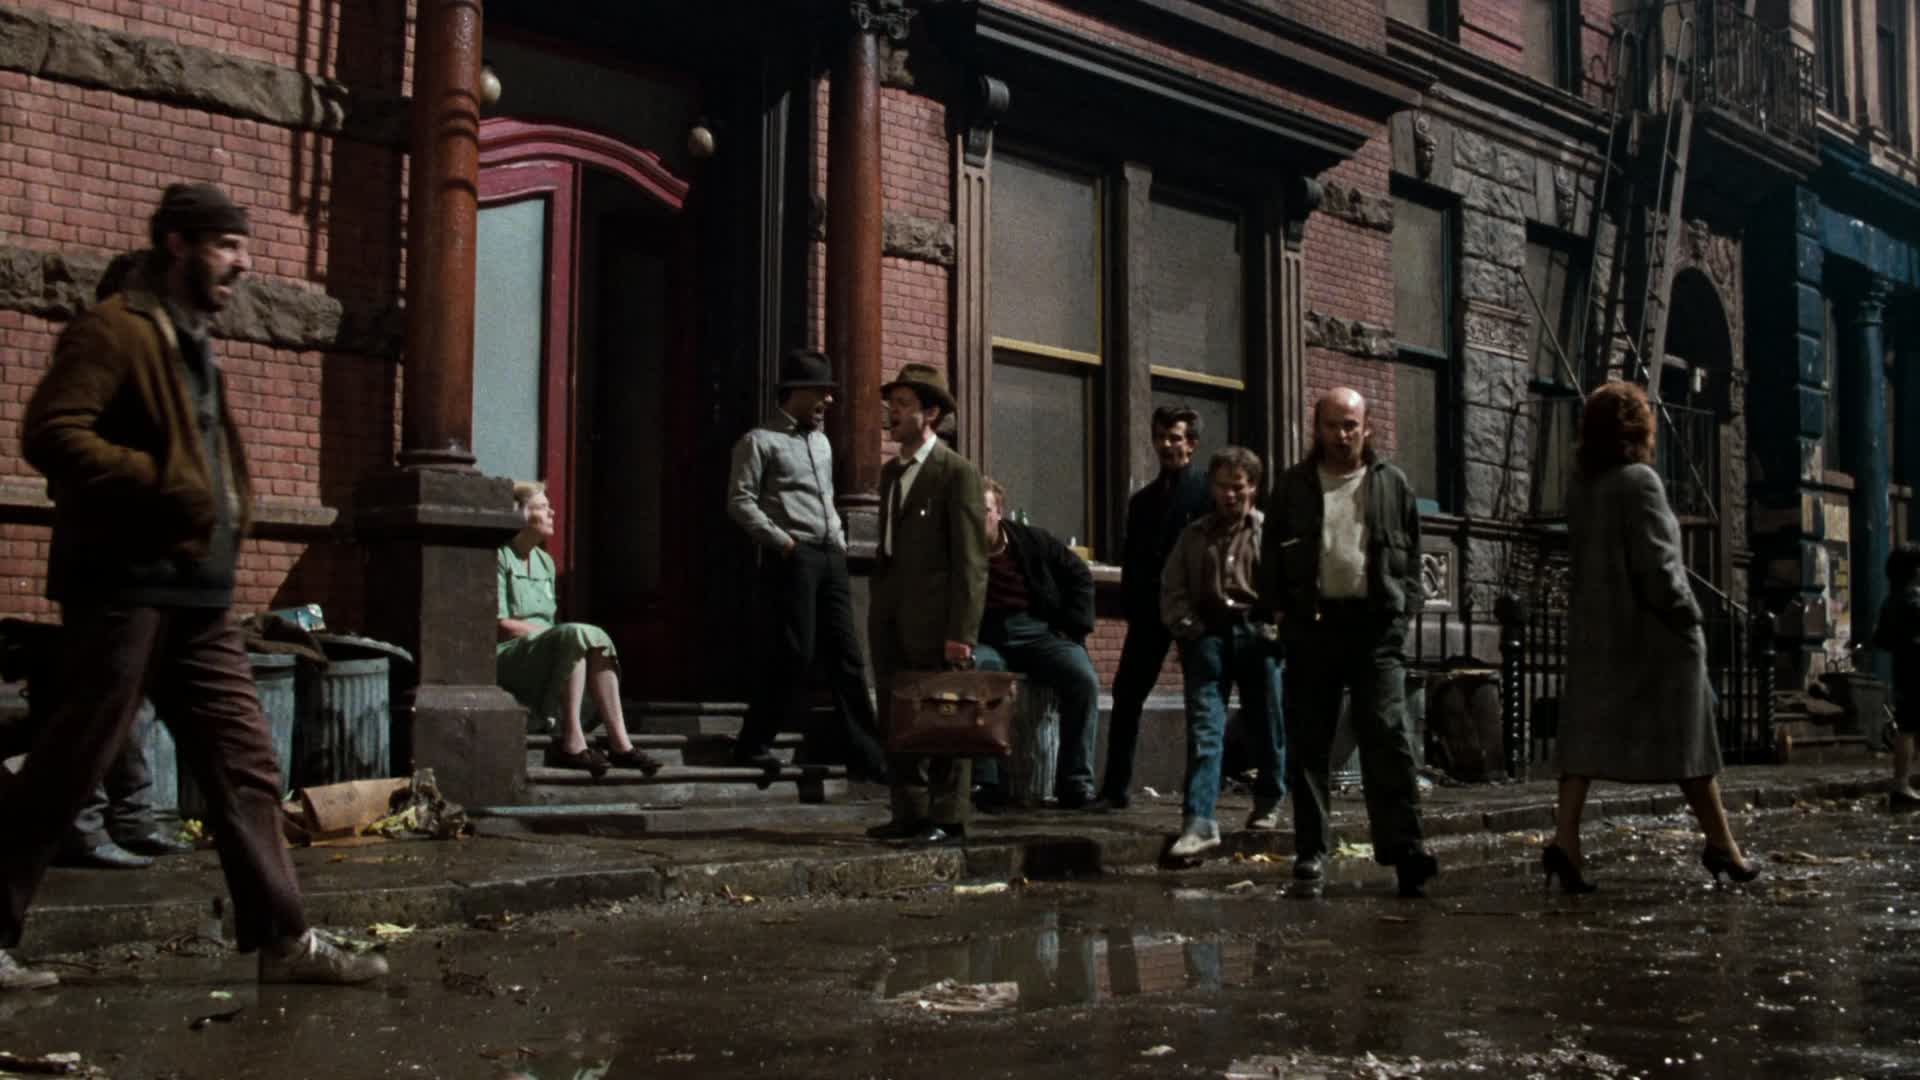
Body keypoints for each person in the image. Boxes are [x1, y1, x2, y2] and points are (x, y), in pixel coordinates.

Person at [3, 182, 387, 990]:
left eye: (243, 246)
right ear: (177, 245)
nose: (243, 264)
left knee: (245, 765)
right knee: (73, 761)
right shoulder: (114, 330)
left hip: (198, 599)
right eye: (226, 245)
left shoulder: (191, 342)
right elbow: (51, 432)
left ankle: (284, 940)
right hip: (125, 586)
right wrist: (161, 480)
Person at [1548, 381, 1758, 891]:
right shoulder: (1640, 482)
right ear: (1637, 430)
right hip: (1655, 636)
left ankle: (1565, 842)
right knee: (1690, 741)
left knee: (1583, 742)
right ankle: (1722, 845)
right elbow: (1660, 567)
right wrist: (1689, 615)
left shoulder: (1582, 488)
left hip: (1599, 636)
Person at [1260, 387, 1437, 899]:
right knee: (1310, 740)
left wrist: (1403, 609)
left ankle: (1405, 850)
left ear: (1367, 428)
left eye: (1351, 425)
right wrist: (1278, 610)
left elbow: (1412, 552)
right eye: (1333, 425)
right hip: (1312, 626)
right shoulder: (1294, 486)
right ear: (1317, 429)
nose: (1342, 435)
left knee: (1387, 732)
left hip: (1375, 626)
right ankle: (1311, 851)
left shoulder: (1391, 483)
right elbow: (1271, 555)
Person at [725, 349, 889, 783]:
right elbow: (739, 501)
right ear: (795, 392)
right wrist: (784, 543)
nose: (828, 401)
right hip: (794, 557)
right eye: (821, 392)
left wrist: (839, 539)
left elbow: (826, 496)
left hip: (831, 555)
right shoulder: (759, 441)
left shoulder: (822, 442)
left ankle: (869, 756)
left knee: (848, 657)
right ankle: (753, 742)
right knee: (795, 652)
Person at [865, 363, 987, 846]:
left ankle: (947, 815)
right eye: (890, 405)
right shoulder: (891, 473)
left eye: (903, 405)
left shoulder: (956, 473)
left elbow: (971, 562)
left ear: (930, 413)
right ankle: (909, 812)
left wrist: (962, 633)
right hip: (891, 614)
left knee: (944, 715)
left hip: (936, 621)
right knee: (897, 714)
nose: (891, 414)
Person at [1160, 447, 1287, 859]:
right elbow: (1173, 588)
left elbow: (1290, 587)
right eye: (1221, 486)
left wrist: (1276, 631)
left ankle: (1269, 799)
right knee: (1205, 729)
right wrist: (1189, 630)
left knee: (1267, 723)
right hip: (1208, 636)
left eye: (1238, 487)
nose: (1229, 495)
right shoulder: (1194, 535)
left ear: (1253, 488)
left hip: (1257, 634)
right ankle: (1199, 822)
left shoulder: (1269, 534)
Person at [498, 482, 662, 777]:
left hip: (546, 648)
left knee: (593, 638)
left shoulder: (545, 562)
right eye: (543, 507)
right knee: (574, 636)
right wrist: (550, 636)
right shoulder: (500, 556)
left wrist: (556, 637)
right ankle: (572, 740)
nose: (552, 512)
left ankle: (620, 742)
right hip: (510, 653)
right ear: (520, 515)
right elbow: (501, 624)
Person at [1096, 407, 1212, 811]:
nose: (1166, 445)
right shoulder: (1142, 501)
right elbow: (1132, 558)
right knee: (1127, 694)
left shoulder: (1206, 494)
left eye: (1175, 438)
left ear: (1191, 445)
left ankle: (1200, 796)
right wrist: (1132, 605)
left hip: (1194, 612)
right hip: (1149, 612)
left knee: (1202, 700)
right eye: (1160, 437)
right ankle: (1115, 789)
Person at [968, 477, 1098, 809]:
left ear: (999, 512)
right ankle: (986, 781)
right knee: (981, 670)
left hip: (1035, 630)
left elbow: (1079, 574)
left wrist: (1072, 627)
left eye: (984, 510)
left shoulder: (1030, 541)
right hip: (987, 635)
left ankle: (1075, 781)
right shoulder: (960, 550)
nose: (977, 518)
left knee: (1082, 676)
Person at [1872, 544, 1920, 812]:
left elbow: (1882, 639)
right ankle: (1901, 784)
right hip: (1916, 669)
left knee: (1907, 726)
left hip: (1902, 670)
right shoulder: (1914, 600)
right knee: (1910, 727)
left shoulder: (1890, 601)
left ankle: (1902, 783)